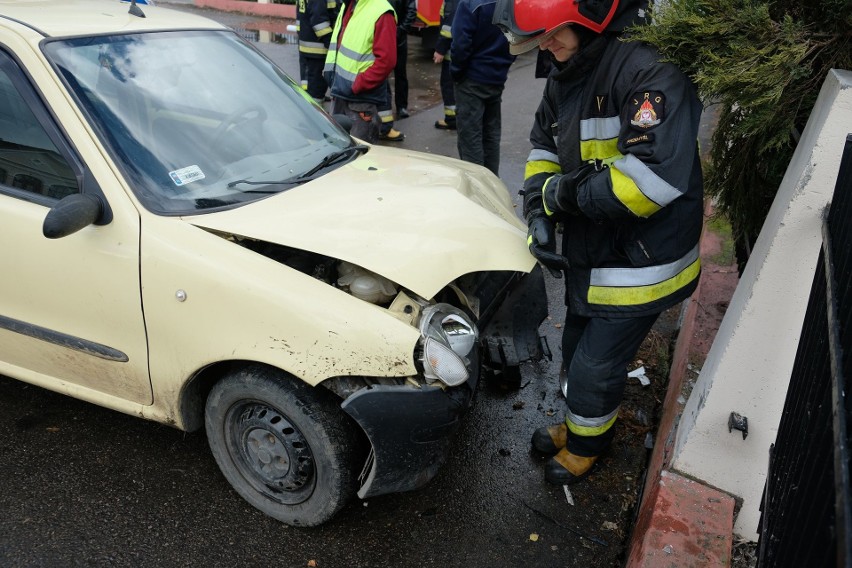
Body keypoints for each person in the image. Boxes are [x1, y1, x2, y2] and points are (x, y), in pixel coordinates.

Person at [493, 0, 704, 485]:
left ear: (586, 15)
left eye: (551, 32)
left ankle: (589, 445)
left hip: (642, 261)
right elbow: (544, 148)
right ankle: (578, 424)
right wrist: (536, 209)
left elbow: (650, 182)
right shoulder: (572, 67)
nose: (546, 45)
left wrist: (561, 196)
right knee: (573, 345)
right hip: (594, 249)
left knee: (595, 365)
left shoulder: (649, 70)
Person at [449, 0, 513, 176]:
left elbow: (460, 43)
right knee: (491, 136)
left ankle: (478, 190)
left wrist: (457, 72)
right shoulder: (511, 3)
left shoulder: (470, 3)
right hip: (497, 77)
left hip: (471, 79)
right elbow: (517, 37)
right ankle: (492, 187)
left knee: (471, 139)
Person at [323, 0, 398, 144]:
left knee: (361, 157)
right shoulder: (349, 4)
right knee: (338, 151)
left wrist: (359, 84)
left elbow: (386, 61)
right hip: (340, 93)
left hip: (360, 100)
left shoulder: (381, 11)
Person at [378, 0, 416, 141]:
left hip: (399, 40)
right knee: (381, 76)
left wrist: (400, 31)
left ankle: (401, 107)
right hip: (381, 38)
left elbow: (411, 11)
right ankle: (383, 113)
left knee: (401, 74)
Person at [297, 0, 338, 103]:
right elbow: (319, 22)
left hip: (308, 43)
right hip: (317, 48)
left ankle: (313, 102)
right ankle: (316, 113)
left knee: (309, 84)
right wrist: (332, 44)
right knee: (316, 87)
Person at [432, 0, 457, 130]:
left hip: (452, 52)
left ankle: (452, 119)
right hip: (458, 50)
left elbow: (448, 27)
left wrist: (440, 49)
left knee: (449, 85)